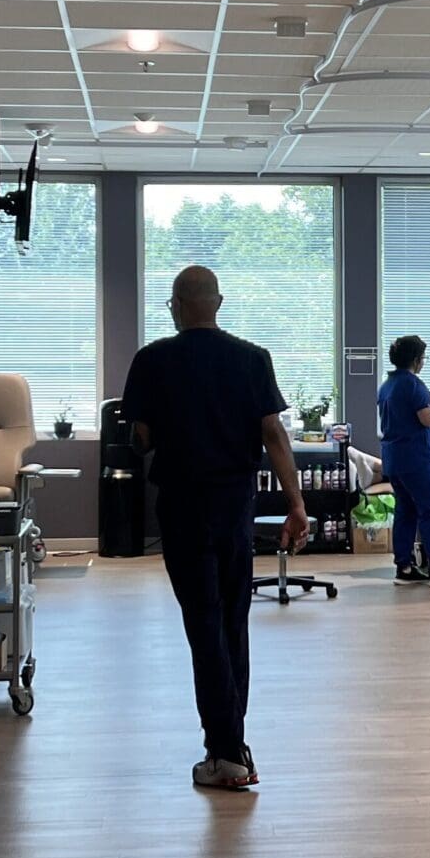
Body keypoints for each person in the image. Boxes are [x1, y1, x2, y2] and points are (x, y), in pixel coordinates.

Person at [121, 265, 308, 792]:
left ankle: (226, 751)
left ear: (177, 306)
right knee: (232, 621)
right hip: (235, 506)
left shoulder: (152, 360)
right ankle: (229, 744)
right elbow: (274, 435)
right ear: (218, 303)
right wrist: (296, 504)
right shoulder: (252, 359)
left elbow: (141, 439)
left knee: (203, 622)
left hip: (182, 505)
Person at [377, 334, 430, 587]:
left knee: (405, 512)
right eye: (423, 358)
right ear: (416, 360)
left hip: (395, 460)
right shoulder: (414, 385)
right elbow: (427, 419)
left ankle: (404, 567)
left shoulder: (387, 385)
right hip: (417, 461)